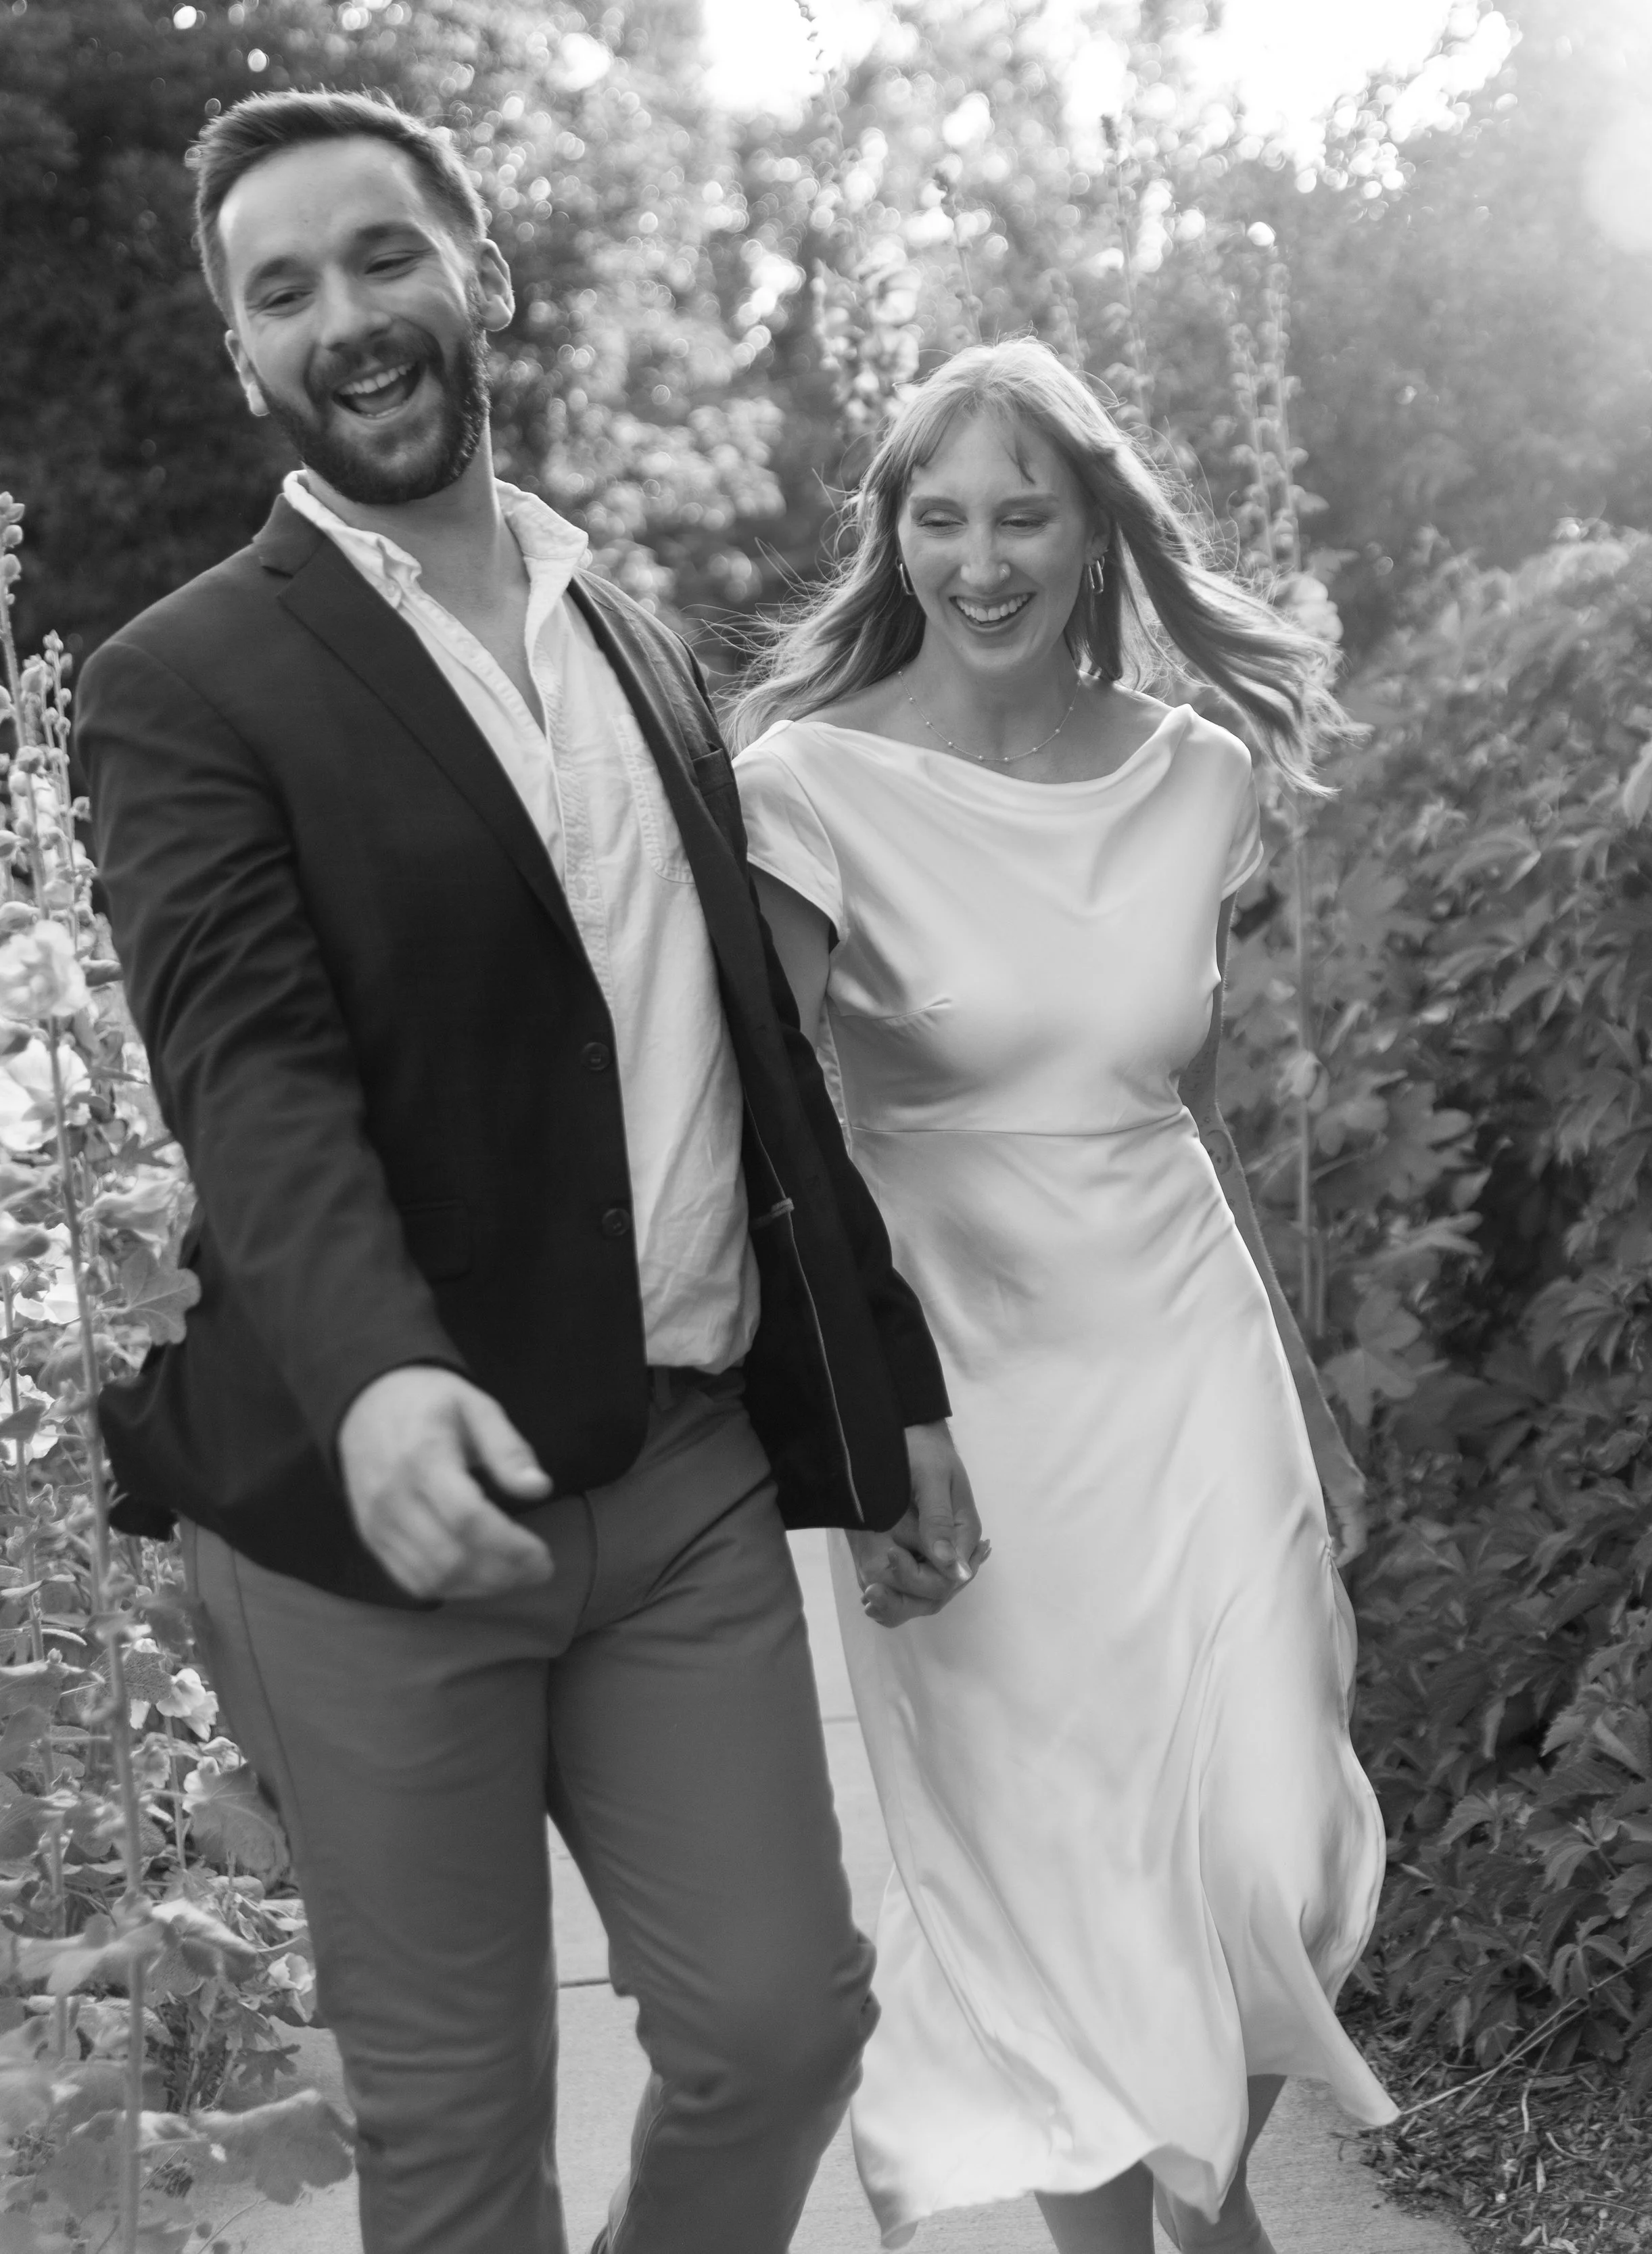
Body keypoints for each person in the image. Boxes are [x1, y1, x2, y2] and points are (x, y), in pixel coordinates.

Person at [74, 89, 984, 2254]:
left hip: (676, 1480)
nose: (347, 320)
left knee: (780, 2022)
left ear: (479, 274)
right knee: (462, 2145)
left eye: (383, 258)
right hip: (363, 1524)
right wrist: (382, 1369)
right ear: (243, 358)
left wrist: (895, 1378)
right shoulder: (183, 682)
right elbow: (249, 1070)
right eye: (279, 291)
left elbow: (755, 1065)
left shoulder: (631, 633)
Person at [731, 337, 1396, 2254]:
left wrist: (1302, 1383)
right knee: (1047, 1874)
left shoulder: (1196, 777)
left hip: (1189, 1367)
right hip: (965, 1406)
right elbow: (782, 1138)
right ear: (895, 539)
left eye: (1022, 509)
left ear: (1094, 519)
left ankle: (1204, 2191)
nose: (981, 554)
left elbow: (1181, 1107)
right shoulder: (810, 787)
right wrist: (860, 1431)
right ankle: (1133, 2236)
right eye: (938, 516)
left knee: (1278, 1839)